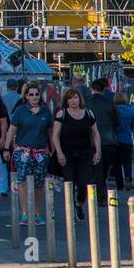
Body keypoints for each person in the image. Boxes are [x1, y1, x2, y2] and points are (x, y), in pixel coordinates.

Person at [3, 82, 54, 226]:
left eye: (37, 94)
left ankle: (37, 213)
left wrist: (54, 151)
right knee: (23, 181)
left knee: (39, 183)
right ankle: (25, 213)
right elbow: (12, 130)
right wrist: (7, 148)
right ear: (26, 96)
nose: (34, 97)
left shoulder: (45, 111)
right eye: (31, 94)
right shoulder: (20, 111)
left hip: (41, 151)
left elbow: (51, 133)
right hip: (22, 150)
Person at [52, 88, 101, 221]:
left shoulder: (88, 113)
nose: (73, 101)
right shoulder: (61, 114)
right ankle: (70, 211)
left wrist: (98, 151)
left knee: (84, 183)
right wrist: (59, 153)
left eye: (75, 98)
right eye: (70, 98)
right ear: (66, 101)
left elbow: (95, 133)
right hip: (67, 153)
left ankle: (79, 204)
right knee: (69, 181)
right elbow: (55, 135)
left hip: (85, 153)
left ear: (80, 99)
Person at [85, 78, 119, 206]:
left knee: (96, 169)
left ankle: (100, 195)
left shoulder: (87, 103)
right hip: (110, 141)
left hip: (93, 141)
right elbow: (117, 121)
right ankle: (101, 193)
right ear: (104, 90)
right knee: (104, 169)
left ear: (92, 89)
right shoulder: (110, 103)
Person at [112, 90, 134, 191]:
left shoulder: (114, 110)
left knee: (117, 163)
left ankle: (120, 184)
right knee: (127, 162)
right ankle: (128, 178)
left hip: (116, 139)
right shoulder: (131, 110)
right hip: (128, 139)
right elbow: (133, 127)